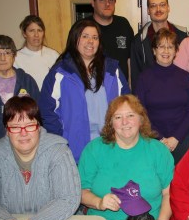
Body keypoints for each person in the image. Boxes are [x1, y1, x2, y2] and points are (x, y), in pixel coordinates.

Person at [0, 96, 81, 220]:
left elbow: (67, 199)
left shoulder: (59, 151)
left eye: (30, 125)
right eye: (15, 127)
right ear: (7, 131)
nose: (23, 133)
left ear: (39, 127)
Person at [40, 19, 130, 163]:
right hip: (75, 151)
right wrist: (60, 140)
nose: (91, 41)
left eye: (95, 37)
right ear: (75, 38)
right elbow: (47, 110)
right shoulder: (60, 72)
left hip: (110, 147)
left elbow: (127, 103)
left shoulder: (112, 69)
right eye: (85, 36)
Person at [78, 94, 174, 220]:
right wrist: (99, 202)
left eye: (130, 115)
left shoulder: (159, 151)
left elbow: (169, 194)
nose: (125, 122)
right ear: (111, 123)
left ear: (141, 120)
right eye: (118, 117)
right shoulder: (94, 150)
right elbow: (81, 191)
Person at [135, 28, 189, 164]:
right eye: (161, 46)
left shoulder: (185, 77)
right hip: (152, 139)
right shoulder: (144, 78)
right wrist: (160, 138)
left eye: (170, 47)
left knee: (180, 181)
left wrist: (176, 138)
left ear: (176, 50)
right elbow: (140, 112)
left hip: (181, 140)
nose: (166, 51)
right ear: (154, 50)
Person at [0, 35, 40, 154]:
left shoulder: (27, 81)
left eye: (7, 52)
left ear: (14, 56)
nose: (2, 58)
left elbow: (39, 116)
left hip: (27, 148)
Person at [130, 0, 189, 92]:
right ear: (148, 10)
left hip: (179, 96)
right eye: (153, 6)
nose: (158, 9)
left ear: (168, 8)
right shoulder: (138, 41)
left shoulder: (184, 36)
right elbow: (136, 79)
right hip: (151, 100)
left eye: (162, 5)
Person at [86, 0, 134, 80]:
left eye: (111, 0)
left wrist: (129, 86)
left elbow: (130, 59)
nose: (107, 4)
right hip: (91, 89)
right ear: (92, 3)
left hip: (120, 89)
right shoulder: (83, 27)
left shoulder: (123, 24)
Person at [14, 15, 60, 89]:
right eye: (31, 31)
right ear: (24, 34)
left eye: (39, 30)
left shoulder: (54, 55)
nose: (36, 35)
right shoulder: (16, 58)